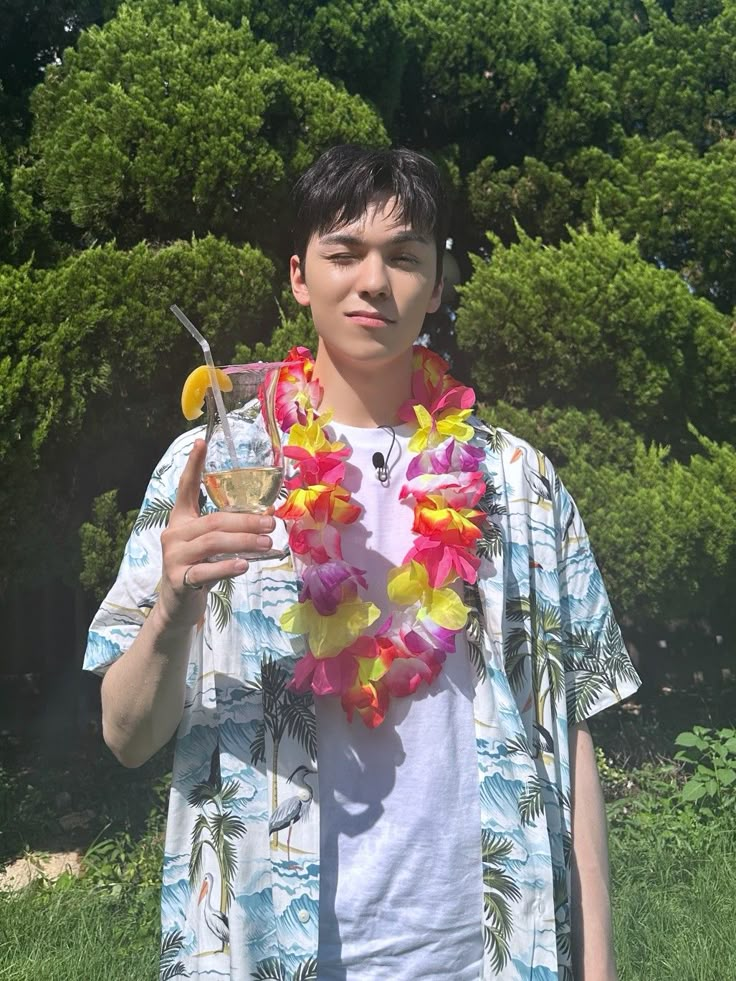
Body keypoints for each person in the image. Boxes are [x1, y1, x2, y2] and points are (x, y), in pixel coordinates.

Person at [84, 144, 640, 981]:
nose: (373, 281)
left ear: (439, 282)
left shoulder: (518, 483)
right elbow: (126, 735)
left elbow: (573, 740)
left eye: (404, 256)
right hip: (264, 944)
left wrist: (597, 969)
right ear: (300, 275)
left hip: (486, 946)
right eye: (343, 253)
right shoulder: (211, 468)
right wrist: (172, 608)